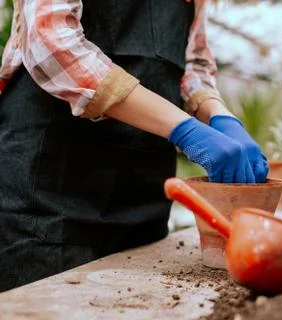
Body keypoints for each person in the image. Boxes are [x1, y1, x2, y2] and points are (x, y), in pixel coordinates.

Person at [0, 0, 268, 291]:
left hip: (142, 197)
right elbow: (49, 41)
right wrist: (185, 129)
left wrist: (220, 116)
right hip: (53, 194)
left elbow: (193, 64)